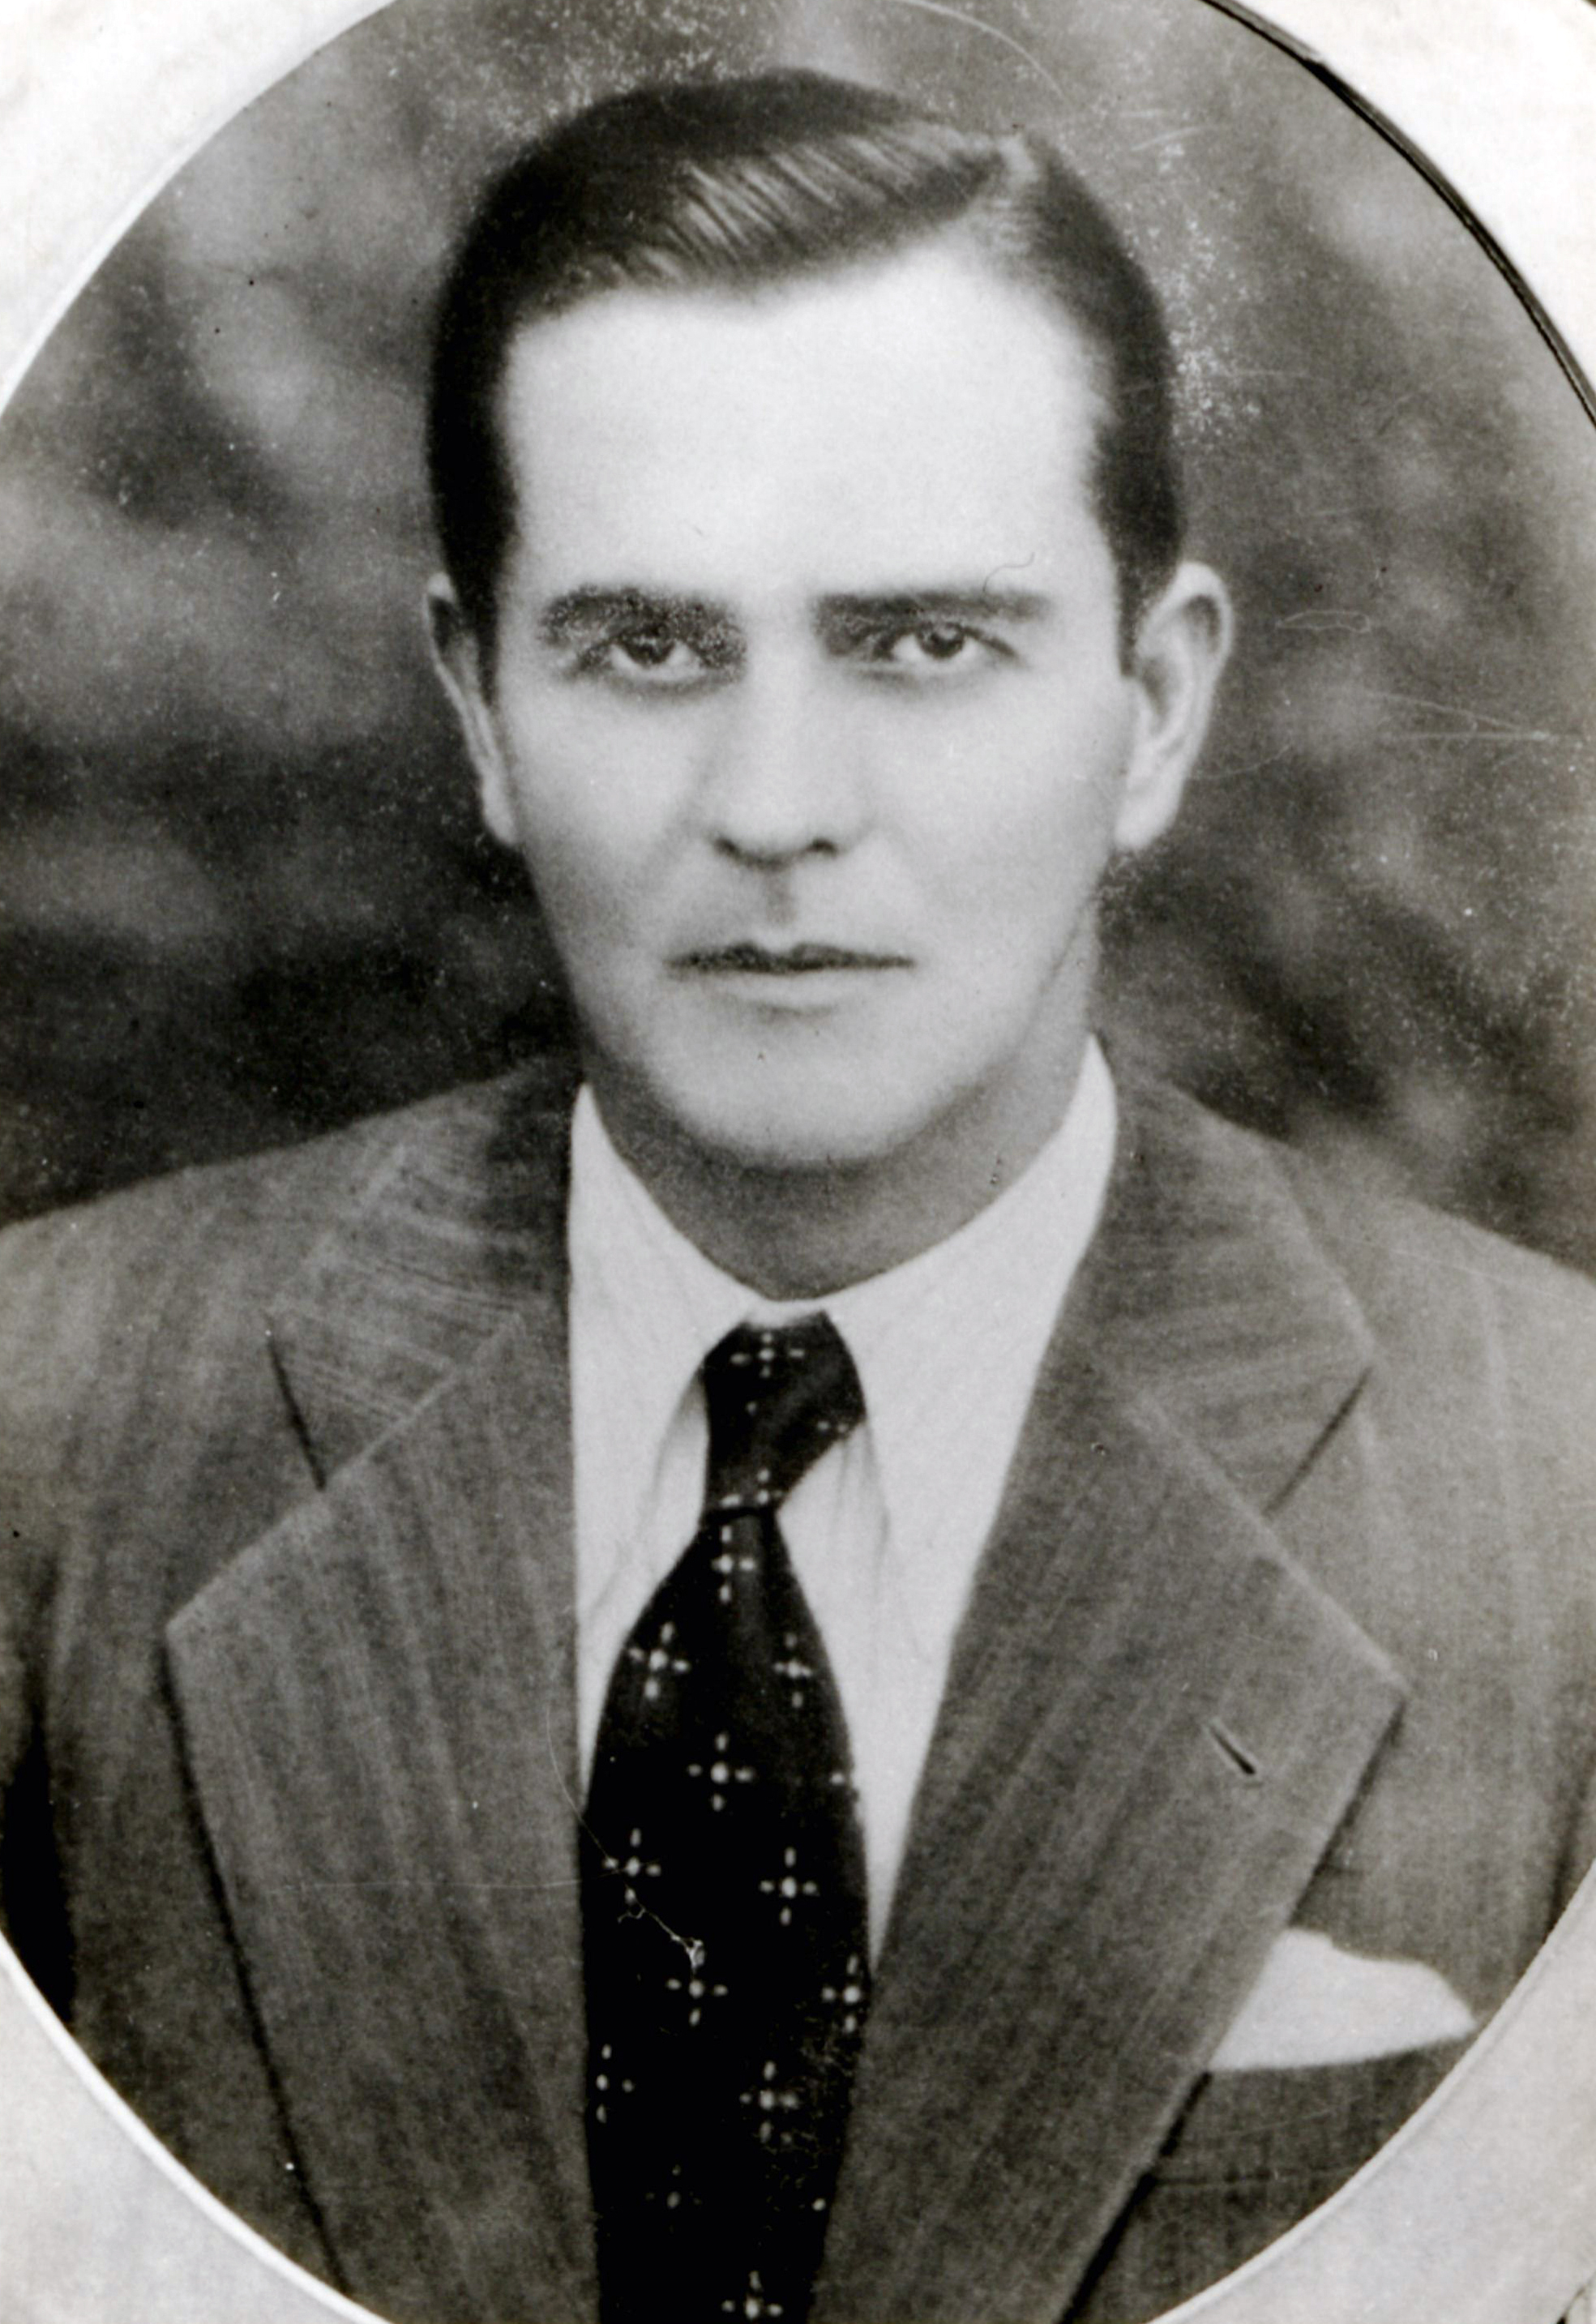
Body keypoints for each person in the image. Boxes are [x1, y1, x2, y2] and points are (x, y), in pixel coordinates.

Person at [2, 67, 1594, 2324]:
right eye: (646, 648)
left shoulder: (1562, 1498)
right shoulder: (47, 1435)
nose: (774, 804)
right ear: (481, 710)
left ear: (1152, 708)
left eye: (921, 643)